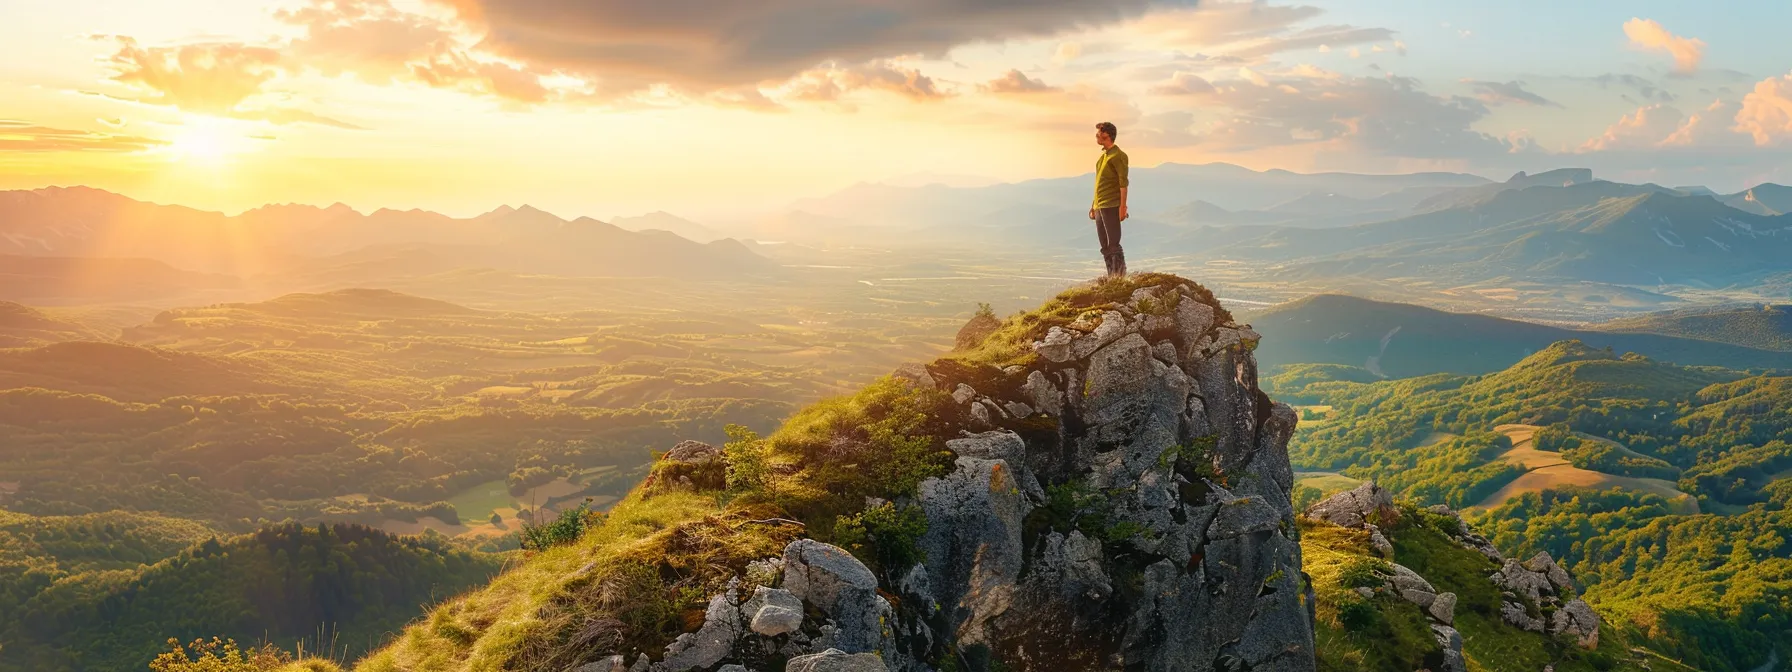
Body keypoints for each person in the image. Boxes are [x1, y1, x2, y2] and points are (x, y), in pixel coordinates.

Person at [1088, 121, 1129, 278]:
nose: (1096, 136)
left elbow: (1123, 184)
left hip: (1111, 205)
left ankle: (1120, 277)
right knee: (1104, 245)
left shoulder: (1118, 156)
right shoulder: (1102, 157)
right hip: (1100, 205)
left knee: (1113, 243)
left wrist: (1122, 208)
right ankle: (1112, 276)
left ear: (1106, 135)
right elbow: (1099, 182)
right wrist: (1093, 205)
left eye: (1098, 133)